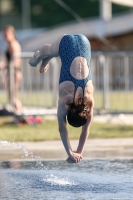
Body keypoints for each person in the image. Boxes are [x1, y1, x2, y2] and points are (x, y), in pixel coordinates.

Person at [29, 34, 94, 163]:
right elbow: (62, 128)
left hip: (85, 42)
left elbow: (86, 129)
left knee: (52, 52)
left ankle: (46, 59)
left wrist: (78, 152)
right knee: (46, 51)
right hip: (66, 45)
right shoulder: (65, 100)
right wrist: (71, 153)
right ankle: (37, 58)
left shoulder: (89, 100)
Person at [3, 25, 22, 113]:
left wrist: (3, 65)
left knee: (13, 96)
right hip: (11, 72)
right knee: (12, 96)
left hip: (14, 72)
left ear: (12, 34)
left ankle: (19, 114)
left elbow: (14, 62)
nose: (5, 36)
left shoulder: (14, 45)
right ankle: (17, 114)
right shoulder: (10, 45)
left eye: (6, 34)